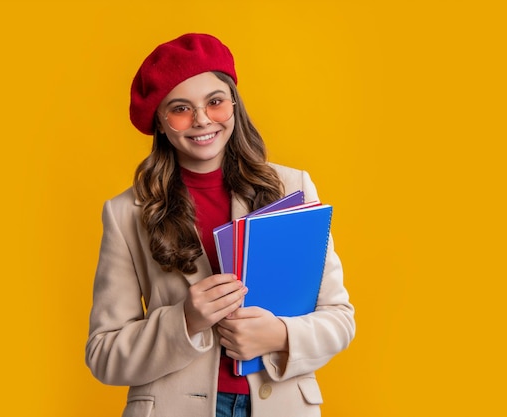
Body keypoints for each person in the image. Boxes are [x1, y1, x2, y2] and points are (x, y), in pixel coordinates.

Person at [85, 33, 355, 417]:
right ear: (160, 122)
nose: (201, 120)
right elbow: (103, 354)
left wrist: (279, 335)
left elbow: (339, 318)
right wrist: (184, 321)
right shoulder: (127, 212)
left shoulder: (292, 188)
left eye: (214, 102)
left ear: (233, 104)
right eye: (180, 109)